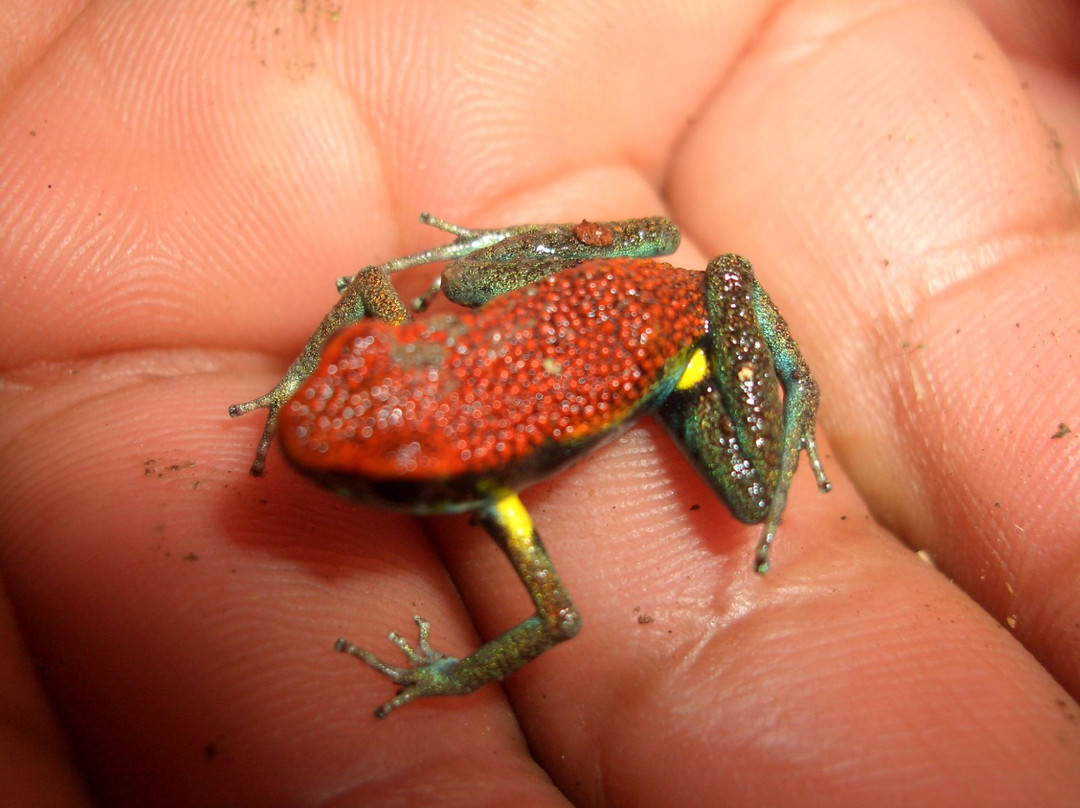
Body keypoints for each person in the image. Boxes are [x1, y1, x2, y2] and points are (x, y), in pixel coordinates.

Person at [1, 2, 1077, 805]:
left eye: (391, 478)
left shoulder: (500, 502)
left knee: (751, 495)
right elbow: (372, 293)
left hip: (684, 336)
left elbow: (559, 619)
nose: (317, 443)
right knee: (469, 285)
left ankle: (785, 375)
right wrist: (302, 378)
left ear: (469, 480)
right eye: (359, 371)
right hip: (604, 284)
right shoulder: (411, 372)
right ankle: (608, 296)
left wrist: (451, 672)